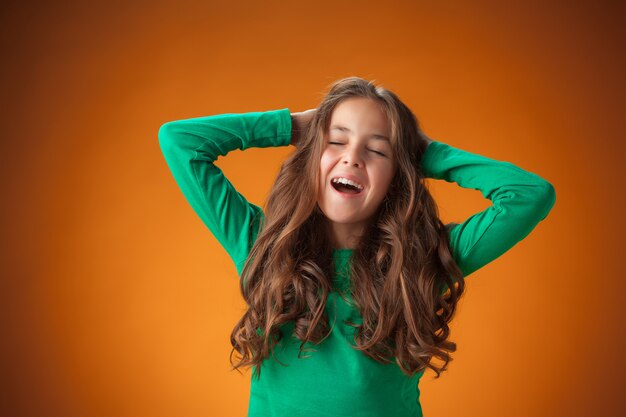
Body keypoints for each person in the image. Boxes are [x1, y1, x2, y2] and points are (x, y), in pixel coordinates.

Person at [158, 76, 556, 417]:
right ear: (312, 156)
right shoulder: (263, 245)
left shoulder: (423, 260)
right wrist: (293, 127)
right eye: (335, 141)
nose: (352, 158)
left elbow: (529, 195)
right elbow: (179, 141)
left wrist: (424, 153)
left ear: (399, 176)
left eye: (378, 150)